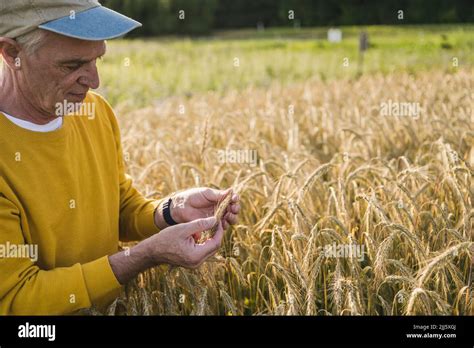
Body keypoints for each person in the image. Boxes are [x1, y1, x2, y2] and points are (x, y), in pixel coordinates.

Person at [0, 0, 240, 315]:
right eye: (72, 66)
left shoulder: (94, 112)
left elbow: (117, 207)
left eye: (97, 59)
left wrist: (169, 212)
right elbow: (16, 300)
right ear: (12, 53)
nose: (94, 81)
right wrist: (142, 257)